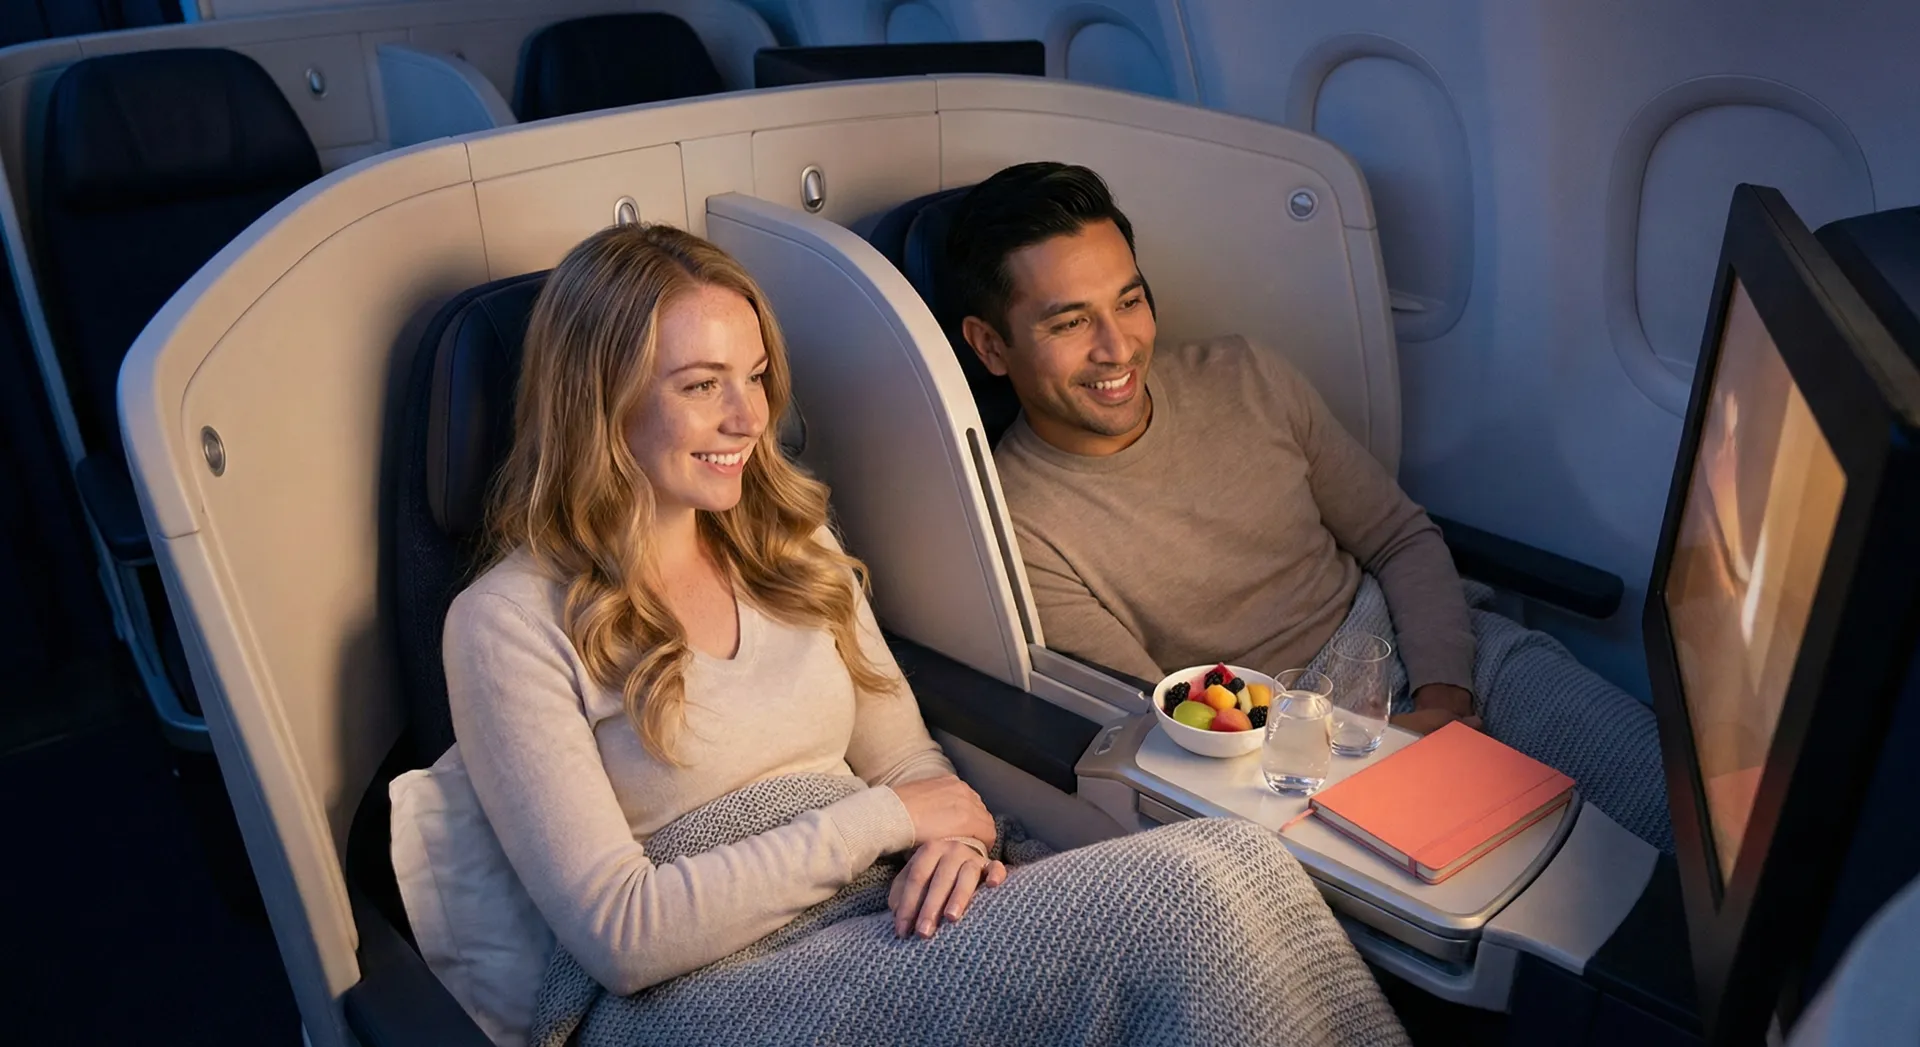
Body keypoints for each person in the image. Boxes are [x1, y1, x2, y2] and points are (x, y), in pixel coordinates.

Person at [440, 222, 1408, 1046]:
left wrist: (951, 837)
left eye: (757, 376)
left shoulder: (787, 542)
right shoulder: (506, 624)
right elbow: (622, 932)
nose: (750, 417)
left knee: (1243, 858)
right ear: (598, 404)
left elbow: (907, 763)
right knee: (1180, 906)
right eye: (701, 386)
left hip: (879, 905)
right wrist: (894, 824)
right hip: (701, 991)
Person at [949, 162, 1672, 851]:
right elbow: (1171, 727)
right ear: (991, 345)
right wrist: (1371, 751)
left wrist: (1446, 700)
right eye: (1070, 322)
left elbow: (1399, 539)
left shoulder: (1246, 376)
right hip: (1290, 758)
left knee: (1699, 826)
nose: (1118, 347)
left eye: (1130, 301)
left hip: (1434, 650)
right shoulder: (1019, 525)